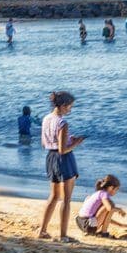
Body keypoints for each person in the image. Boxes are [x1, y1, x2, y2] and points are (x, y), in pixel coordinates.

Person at [36, 90, 83, 242]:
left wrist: (67, 139)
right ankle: (63, 235)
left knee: (54, 196)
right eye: (70, 106)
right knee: (66, 199)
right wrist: (75, 143)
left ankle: (42, 230)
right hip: (64, 160)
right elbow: (63, 150)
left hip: (50, 158)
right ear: (63, 105)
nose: (70, 109)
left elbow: (45, 143)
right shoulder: (62, 122)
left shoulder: (46, 119)